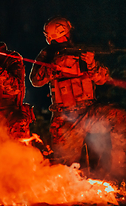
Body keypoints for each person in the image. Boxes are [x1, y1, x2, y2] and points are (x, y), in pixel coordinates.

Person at [29, 16, 126, 178]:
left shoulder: (82, 49)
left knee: (120, 117)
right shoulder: (48, 54)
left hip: (90, 110)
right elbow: (35, 80)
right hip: (65, 117)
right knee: (64, 168)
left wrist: (92, 64)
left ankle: (118, 172)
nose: (68, 36)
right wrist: (54, 65)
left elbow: (103, 79)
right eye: (64, 34)